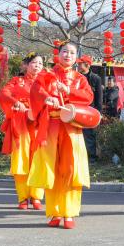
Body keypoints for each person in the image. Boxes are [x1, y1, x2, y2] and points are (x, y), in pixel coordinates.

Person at [29, 42, 99, 229]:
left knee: (70, 169)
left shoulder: (80, 78)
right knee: (51, 169)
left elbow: (88, 97)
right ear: (58, 54)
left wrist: (69, 91)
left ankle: (69, 213)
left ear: (76, 58)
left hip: (72, 128)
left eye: (72, 53)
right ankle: (55, 212)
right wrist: (47, 98)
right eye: (65, 51)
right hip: (51, 125)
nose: (68, 55)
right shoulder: (47, 74)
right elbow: (36, 90)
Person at [0, 54, 45, 210]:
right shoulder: (17, 81)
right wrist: (16, 102)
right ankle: (23, 197)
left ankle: (36, 196)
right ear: (26, 65)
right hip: (21, 122)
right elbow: (4, 94)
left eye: (40, 63)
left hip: (40, 123)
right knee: (21, 159)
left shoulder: (46, 82)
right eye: (34, 62)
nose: (37, 65)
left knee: (38, 158)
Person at [77, 56, 103, 162]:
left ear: (87, 65)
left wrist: (99, 113)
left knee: (89, 134)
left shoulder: (96, 78)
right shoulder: (76, 77)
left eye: (80, 63)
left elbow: (99, 98)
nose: (78, 65)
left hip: (90, 110)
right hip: (77, 109)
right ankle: (80, 156)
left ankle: (92, 157)